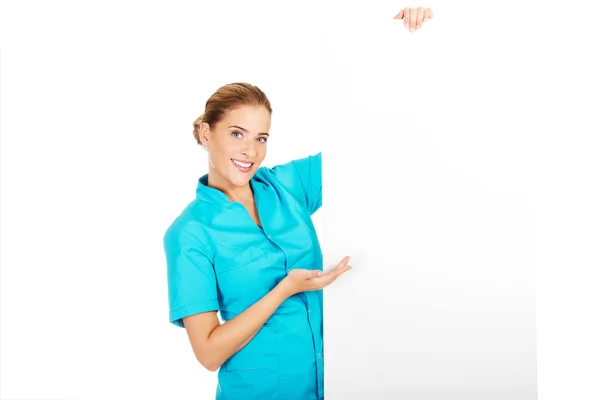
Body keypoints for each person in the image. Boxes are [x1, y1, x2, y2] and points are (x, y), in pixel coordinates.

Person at [163, 9, 433, 400]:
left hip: (327, 387)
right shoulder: (189, 233)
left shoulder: (285, 186)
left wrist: (400, 42)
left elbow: (365, 140)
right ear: (206, 133)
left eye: (261, 138)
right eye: (237, 134)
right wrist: (284, 289)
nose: (250, 151)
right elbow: (207, 352)